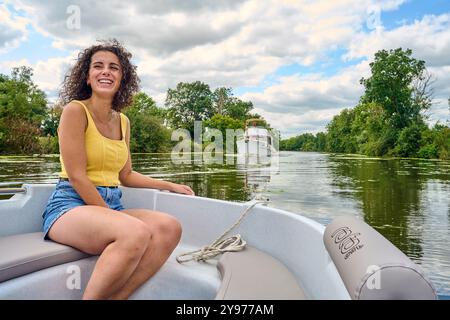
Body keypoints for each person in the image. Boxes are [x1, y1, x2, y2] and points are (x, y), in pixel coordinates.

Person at [41, 39, 194, 300]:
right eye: (98, 66)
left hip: (111, 204)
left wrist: (170, 185)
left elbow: (126, 175)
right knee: (134, 231)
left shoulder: (123, 121)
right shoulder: (75, 111)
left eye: (114, 68)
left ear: (122, 78)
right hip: (70, 206)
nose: (106, 71)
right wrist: (114, 217)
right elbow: (77, 176)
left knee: (170, 227)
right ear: (87, 77)